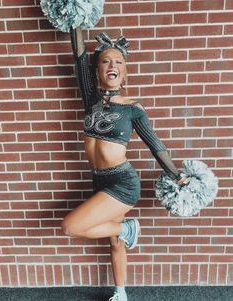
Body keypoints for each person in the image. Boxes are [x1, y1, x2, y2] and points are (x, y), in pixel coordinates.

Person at [61, 28, 187, 301]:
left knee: (70, 226)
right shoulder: (91, 100)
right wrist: (76, 18)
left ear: (125, 73)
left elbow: (155, 145)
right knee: (114, 243)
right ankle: (121, 293)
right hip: (100, 180)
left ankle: (128, 228)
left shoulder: (133, 108)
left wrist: (177, 175)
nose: (112, 65)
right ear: (98, 71)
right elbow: (79, 55)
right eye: (106, 61)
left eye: (118, 62)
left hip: (122, 183)